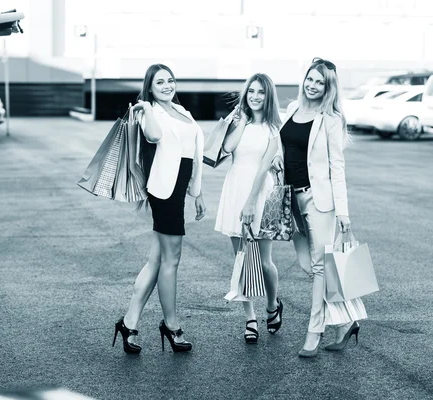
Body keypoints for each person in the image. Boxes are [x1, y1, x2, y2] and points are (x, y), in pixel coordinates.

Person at [273, 57, 365, 358]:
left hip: (319, 200)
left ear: (328, 88)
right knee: (311, 265)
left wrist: (343, 213)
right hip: (292, 199)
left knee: (319, 267)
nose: (312, 85)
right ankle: (345, 322)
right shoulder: (292, 110)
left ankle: (314, 331)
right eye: (310, 79)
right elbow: (285, 148)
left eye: (320, 82)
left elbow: (337, 168)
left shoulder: (331, 119)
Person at [112, 64, 207, 354]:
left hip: (179, 188)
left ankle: (129, 323)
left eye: (170, 80)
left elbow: (193, 153)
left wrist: (197, 192)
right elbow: (153, 136)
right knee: (171, 260)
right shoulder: (148, 112)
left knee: (157, 260)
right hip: (164, 192)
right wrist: (145, 106)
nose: (167, 85)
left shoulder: (183, 112)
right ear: (150, 87)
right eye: (159, 82)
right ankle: (172, 325)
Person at [215, 73, 283, 344]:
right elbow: (228, 147)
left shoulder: (273, 129)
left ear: (268, 97)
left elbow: (264, 167)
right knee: (241, 260)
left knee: (264, 262)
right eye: (251, 91)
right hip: (235, 189)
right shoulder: (240, 123)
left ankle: (272, 305)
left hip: (260, 193)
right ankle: (250, 318)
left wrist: (251, 203)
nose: (255, 96)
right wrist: (241, 119)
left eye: (261, 92)